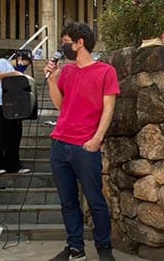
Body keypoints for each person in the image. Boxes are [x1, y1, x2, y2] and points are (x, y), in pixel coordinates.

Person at [44, 23, 120, 261]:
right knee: (67, 202)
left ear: (80, 43)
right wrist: (51, 80)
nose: (63, 47)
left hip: (86, 146)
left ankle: (104, 249)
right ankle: (75, 248)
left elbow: (109, 108)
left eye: (66, 42)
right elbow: (61, 106)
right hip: (60, 143)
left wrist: (97, 139)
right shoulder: (66, 72)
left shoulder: (106, 71)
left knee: (95, 200)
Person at [0, 50, 32, 176]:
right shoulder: (2, 63)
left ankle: (13, 165)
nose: (23, 65)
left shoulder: (15, 70)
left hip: (12, 105)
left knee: (14, 136)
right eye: (23, 62)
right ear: (18, 58)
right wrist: (13, 73)